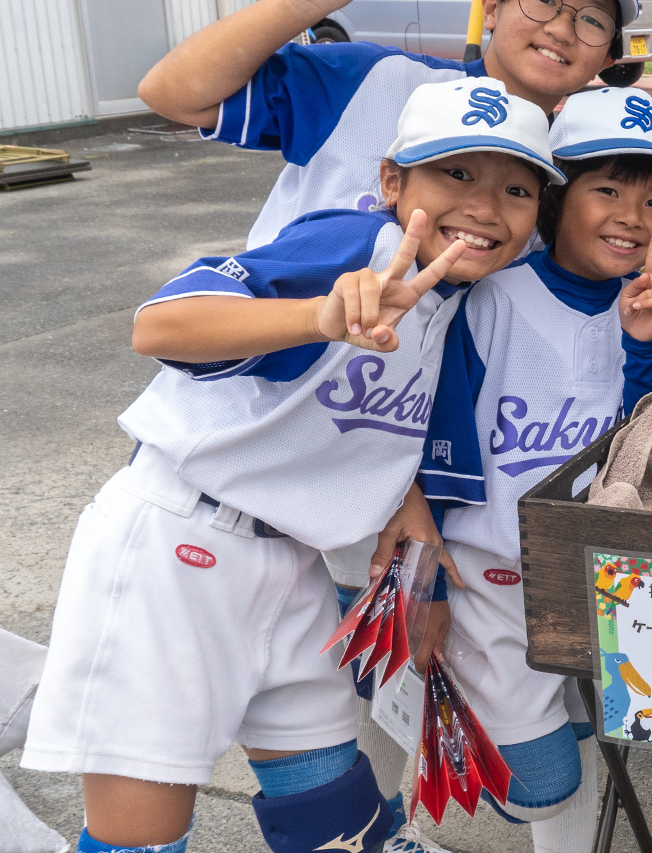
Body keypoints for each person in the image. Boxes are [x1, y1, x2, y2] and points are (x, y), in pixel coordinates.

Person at [20, 77, 556, 853]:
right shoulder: (352, 246)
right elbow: (160, 325)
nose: (486, 205)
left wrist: (403, 505)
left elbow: (363, 420)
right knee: (140, 840)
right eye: (456, 174)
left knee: (338, 826)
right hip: (176, 551)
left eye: (517, 188)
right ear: (389, 182)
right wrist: (318, 314)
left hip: (293, 565)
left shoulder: (457, 297)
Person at [415, 87, 652, 852]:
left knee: (597, 738)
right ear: (557, 199)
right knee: (544, 780)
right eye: (607, 189)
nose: (631, 214)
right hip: (494, 585)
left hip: (609, 577)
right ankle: (403, 769)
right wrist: (426, 590)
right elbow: (435, 457)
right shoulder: (491, 299)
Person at [136, 0, 642, 250]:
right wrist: (301, 1)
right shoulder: (372, 80)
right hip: (261, 378)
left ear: (610, 56)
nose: (560, 27)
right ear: (491, 7)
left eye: (593, 20)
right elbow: (172, 93)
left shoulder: (577, 168)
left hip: (406, 394)